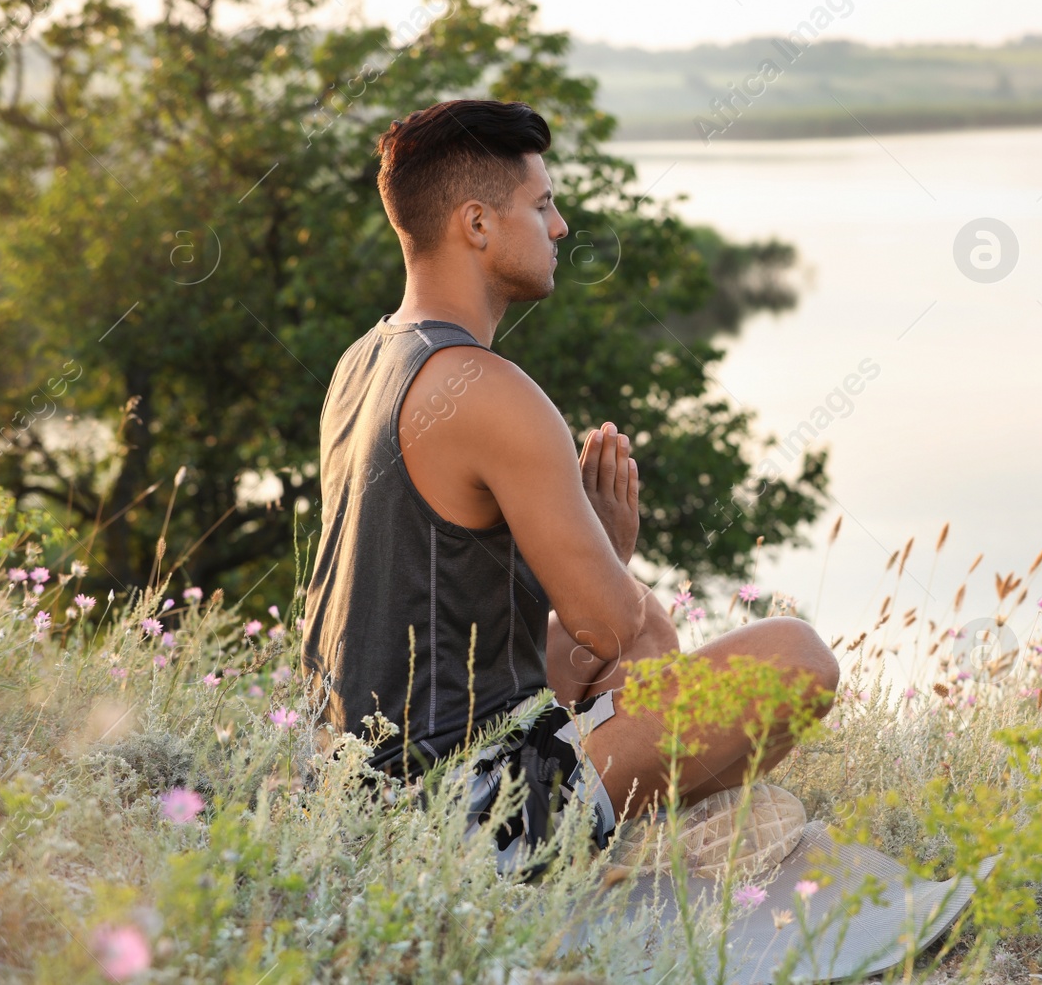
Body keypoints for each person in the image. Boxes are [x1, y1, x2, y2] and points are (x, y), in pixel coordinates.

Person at [300, 98, 838, 873]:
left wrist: (599, 560)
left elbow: (455, 628)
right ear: (478, 225)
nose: (558, 227)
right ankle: (611, 849)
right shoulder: (488, 388)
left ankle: (599, 821)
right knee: (796, 656)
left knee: (576, 658)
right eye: (543, 204)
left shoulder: (362, 363)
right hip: (454, 812)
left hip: (348, 789)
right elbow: (636, 643)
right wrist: (616, 570)